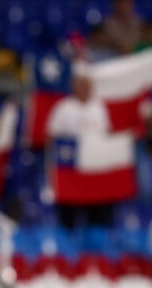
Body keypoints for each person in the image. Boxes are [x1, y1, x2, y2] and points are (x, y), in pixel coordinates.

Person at [47, 74, 117, 229]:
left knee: (97, 210)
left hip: (95, 168)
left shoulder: (99, 107)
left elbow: (108, 134)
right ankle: (68, 245)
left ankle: (95, 247)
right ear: (74, 86)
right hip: (72, 169)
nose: (84, 89)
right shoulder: (63, 107)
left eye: (87, 85)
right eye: (81, 85)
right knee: (69, 210)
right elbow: (51, 136)